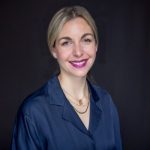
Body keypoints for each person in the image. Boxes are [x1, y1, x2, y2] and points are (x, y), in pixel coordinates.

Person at [11, 6, 122, 150]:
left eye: (86, 40)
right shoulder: (33, 112)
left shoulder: (106, 102)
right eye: (66, 42)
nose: (78, 52)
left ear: (96, 45)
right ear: (53, 50)